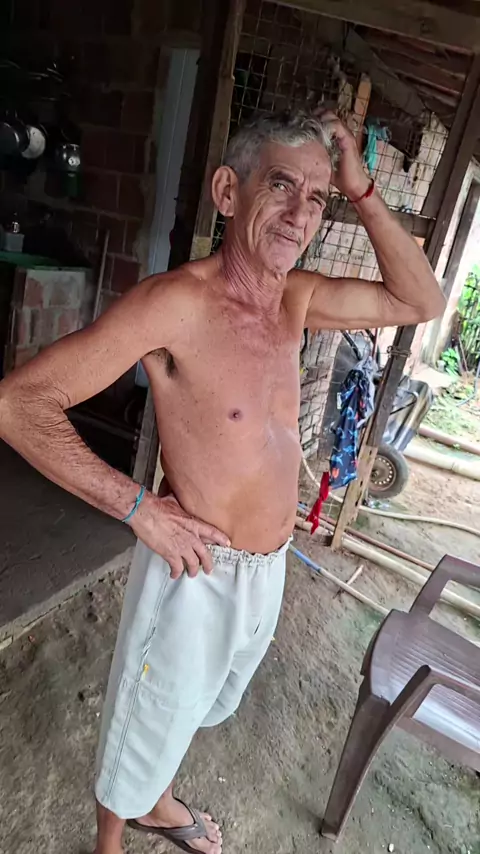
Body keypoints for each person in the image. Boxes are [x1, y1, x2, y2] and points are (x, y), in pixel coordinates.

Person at [0, 110, 445, 854]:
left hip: (267, 569)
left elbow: (420, 303)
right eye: (282, 186)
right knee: (142, 718)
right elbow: (18, 405)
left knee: (192, 705)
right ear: (228, 192)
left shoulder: (295, 299)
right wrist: (140, 509)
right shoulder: (177, 304)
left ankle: (158, 804)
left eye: (317, 198)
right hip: (194, 569)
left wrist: (363, 191)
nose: (301, 215)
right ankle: (110, 841)